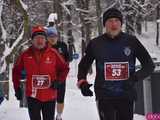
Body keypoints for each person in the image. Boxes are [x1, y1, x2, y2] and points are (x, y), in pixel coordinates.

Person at [77, 8, 155, 120]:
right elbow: (83, 66)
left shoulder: (131, 41)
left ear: (121, 23)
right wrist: (82, 82)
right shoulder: (96, 44)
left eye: (116, 21)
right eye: (110, 21)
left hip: (126, 94)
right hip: (104, 95)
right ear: (105, 24)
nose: (113, 24)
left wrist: (134, 78)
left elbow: (149, 65)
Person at [12, 25, 69, 120]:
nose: (40, 41)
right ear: (32, 40)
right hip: (33, 96)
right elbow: (16, 71)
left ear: (46, 40)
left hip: (50, 96)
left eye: (42, 38)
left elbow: (65, 68)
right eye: (37, 38)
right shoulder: (25, 55)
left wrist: (58, 81)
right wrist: (17, 88)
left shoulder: (53, 53)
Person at [46, 27, 70, 120]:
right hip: (48, 77)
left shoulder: (63, 45)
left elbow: (68, 59)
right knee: (48, 99)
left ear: (57, 36)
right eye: (50, 36)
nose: (52, 38)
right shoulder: (44, 46)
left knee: (60, 98)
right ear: (47, 37)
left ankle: (59, 116)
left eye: (54, 36)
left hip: (60, 77)